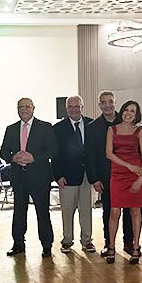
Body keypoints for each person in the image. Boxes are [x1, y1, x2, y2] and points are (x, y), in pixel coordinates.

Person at [0, 97, 57, 257]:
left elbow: (53, 149)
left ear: (33, 108)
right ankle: (18, 244)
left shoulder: (45, 127)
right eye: (21, 107)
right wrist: (13, 157)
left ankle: (46, 245)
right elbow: (3, 151)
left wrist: (34, 157)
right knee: (19, 212)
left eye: (27, 106)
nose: (24, 109)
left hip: (40, 177)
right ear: (17, 110)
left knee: (42, 212)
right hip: (19, 177)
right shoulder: (11, 129)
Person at [85, 91, 134, 257]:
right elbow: (90, 155)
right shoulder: (92, 127)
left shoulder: (126, 121)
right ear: (99, 105)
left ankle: (129, 242)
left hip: (127, 174)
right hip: (106, 176)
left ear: (115, 103)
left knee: (129, 210)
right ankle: (109, 243)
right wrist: (95, 179)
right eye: (104, 102)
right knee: (108, 210)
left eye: (110, 102)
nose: (107, 105)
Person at [52, 95, 95, 254]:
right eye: (70, 107)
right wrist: (58, 175)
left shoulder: (91, 124)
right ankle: (67, 241)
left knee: (86, 210)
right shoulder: (57, 128)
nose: (74, 109)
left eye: (77, 106)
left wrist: (96, 175)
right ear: (66, 109)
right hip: (67, 177)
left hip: (87, 176)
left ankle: (87, 241)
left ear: (82, 107)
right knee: (67, 211)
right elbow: (54, 154)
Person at [106, 100, 142, 264]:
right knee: (114, 211)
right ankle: (111, 246)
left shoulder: (139, 131)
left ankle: (136, 247)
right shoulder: (112, 130)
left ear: (136, 115)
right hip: (118, 174)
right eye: (126, 110)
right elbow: (108, 154)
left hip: (135, 174)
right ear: (122, 111)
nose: (128, 113)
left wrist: (140, 177)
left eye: (132, 111)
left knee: (135, 211)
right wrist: (128, 166)